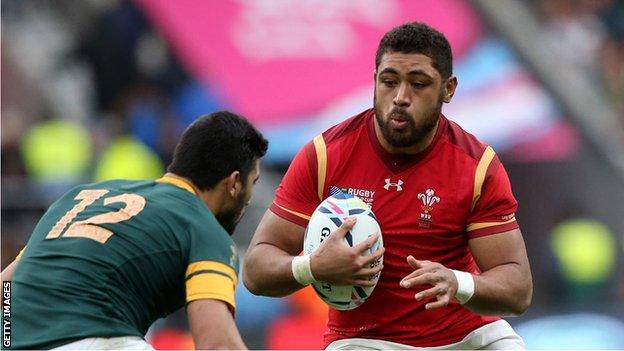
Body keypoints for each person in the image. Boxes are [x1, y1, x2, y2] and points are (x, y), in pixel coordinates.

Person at [243, 22, 533, 350]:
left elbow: (518, 289)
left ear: (449, 89)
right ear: (375, 80)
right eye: (389, 81)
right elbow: (256, 270)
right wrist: (313, 267)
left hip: (465, 337)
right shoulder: (325, 156)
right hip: (364, 340)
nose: (400, 98)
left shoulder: (478, 166)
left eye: (419, 84)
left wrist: (458, 282)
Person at [1, 111, 268, 350]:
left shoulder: (79, 198)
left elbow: (7, 284)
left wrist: (8, 337)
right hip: (97, 338)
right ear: (234, 183)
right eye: (252, 182)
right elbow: (216, 344)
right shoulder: (204, 228)